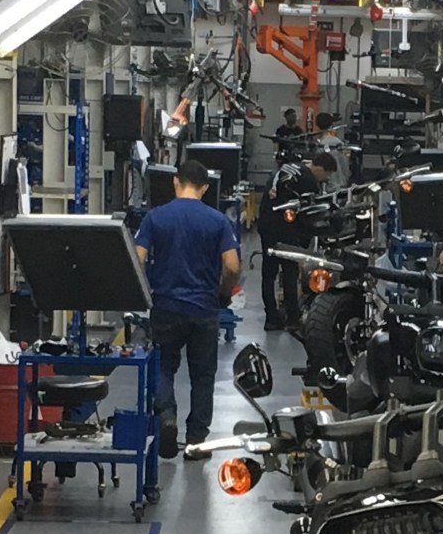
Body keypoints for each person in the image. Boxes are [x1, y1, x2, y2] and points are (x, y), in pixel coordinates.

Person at [135, 159, 242, 460]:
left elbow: (137, 258)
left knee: (163, 366)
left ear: (175, 181)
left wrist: (146, 292)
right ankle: (196, 442)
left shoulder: (155, 217)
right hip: (204, 308)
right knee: (203, 375)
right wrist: (223, 293)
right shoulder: (218, 221)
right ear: (205, 188)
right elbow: (232, 266)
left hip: (166, 306)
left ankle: (166, 416)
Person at [257, 151, 335, 331]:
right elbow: (309, 214)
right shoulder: (308, 181)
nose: (325, 179)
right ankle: (293, 318)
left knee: (268, 274)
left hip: (266, 225)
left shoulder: (290, 167)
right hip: (284, 230)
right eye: (326, 174)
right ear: (320, 168)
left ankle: (271, 318)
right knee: (290, 273)